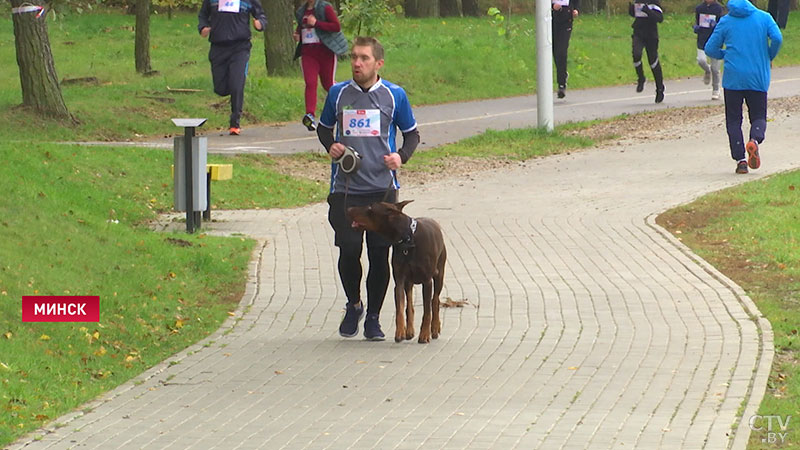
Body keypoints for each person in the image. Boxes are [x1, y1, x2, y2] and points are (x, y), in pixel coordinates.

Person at [317, 36, 421, 341]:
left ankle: (374, 317)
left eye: (363, 58)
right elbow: (324, 128)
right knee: (349, 249)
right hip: (346, 189)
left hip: (383, 190)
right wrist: (331, 145)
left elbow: (412, 134)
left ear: (378, 63)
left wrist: (400, 156)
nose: (357, 63)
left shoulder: (394, 95)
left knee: (379, 255)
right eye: (354, 57)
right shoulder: (338, 94)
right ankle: (354, 304)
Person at [704, 0, 782, 174]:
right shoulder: (764, 18)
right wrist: (769, 54)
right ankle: (754, 140)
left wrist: (723, 54)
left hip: (733, 78)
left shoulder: (726, 21)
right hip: (757, 76)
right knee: (758, 116)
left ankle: (740, 160)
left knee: (733, 120)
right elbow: (777, 37)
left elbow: (709, 48)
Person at [198, 0, 267, 136]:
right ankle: (233, 84)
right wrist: (203, 27)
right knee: (221, 89)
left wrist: (260, 24)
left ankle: (235, 123)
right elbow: (203, 15)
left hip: (240, 47)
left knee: (236, 85)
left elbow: (261, 15)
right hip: (218, 47)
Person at [293, 0, 349, 132]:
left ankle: (345, 110)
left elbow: (336, 26)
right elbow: (301, 28)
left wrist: (317, 23)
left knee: (328, 84)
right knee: (310, 82)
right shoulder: (301, 11)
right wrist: (297, 35)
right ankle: (310, 115)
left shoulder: (325, 7)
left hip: (326, 52)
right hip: (308, 52)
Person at [629, 0, 665, 103]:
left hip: (651, 35)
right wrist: (631, 10)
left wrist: (648, 11)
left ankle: (659, 88)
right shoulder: (638, 1)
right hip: (638, 33)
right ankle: (641, 78)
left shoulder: (654, 2)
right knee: (636, 54)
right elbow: (635, 15)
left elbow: (660, 18)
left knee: (653, 61)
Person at [693, 0, 724, 100]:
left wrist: (716, 26)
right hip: (702, 39)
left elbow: (722, 24)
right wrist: (696, 28)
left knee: (715, 68)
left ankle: (716, 89)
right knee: (701, 60)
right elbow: (697, 22)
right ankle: (707, 70)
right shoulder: (699, 8)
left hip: (715, 40)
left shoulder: (719, 9)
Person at [552, 0, 580, 99]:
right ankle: (562, 74)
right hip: (550, 20)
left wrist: (576, 9)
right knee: (554, 52)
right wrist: (552, 6)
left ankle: (561, 84)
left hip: (566, 19)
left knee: (561, 52)